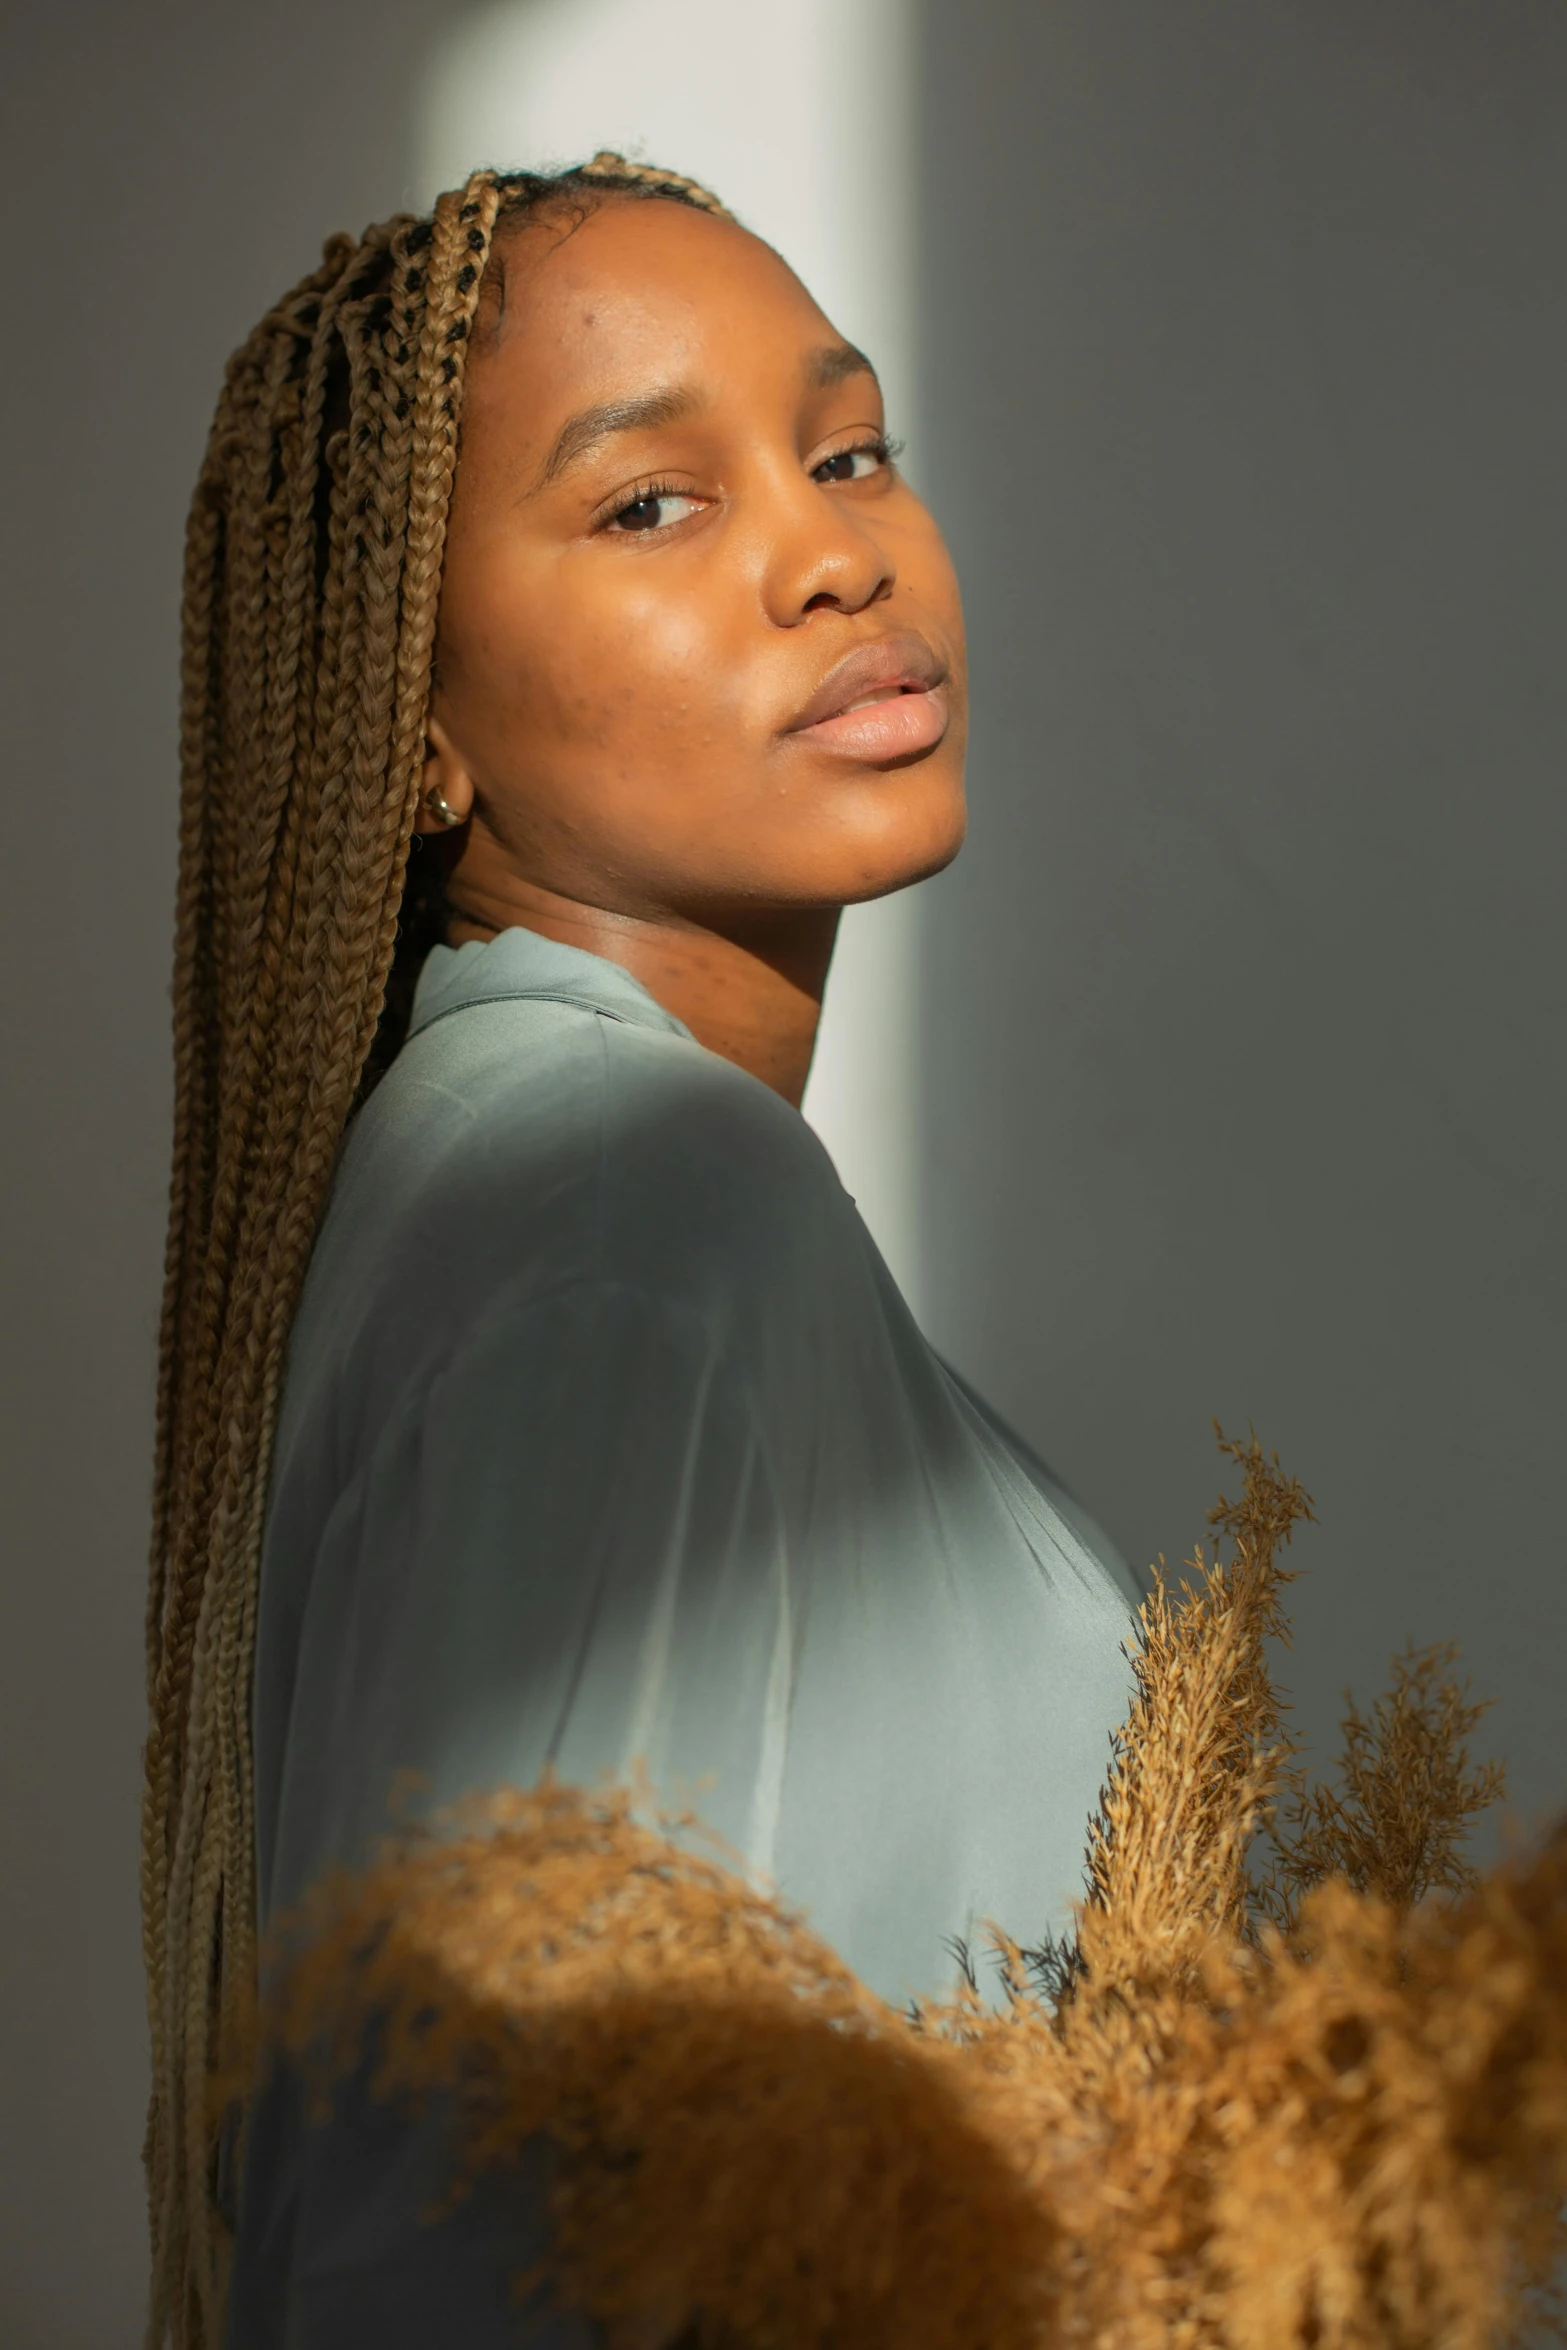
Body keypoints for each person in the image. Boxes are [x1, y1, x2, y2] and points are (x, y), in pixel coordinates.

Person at [142, 153, 1139, 2349]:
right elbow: (454, 2238)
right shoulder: (631, 1201)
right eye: (649, 504)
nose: (832, 550)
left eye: (849, 445)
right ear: (415, 724)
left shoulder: (523, 1172)